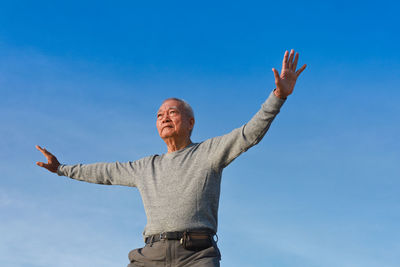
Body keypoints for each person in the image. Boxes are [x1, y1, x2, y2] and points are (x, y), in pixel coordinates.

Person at [36, 49, 306, 267]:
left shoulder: (209, 152)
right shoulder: (145, 167)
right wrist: (61, 168)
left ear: (190, 122)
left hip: (196, 255)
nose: (164, 116)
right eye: (159, 115)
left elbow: (249, 134)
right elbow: (105, 172)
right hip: (150, 256)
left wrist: (278, 96)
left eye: (172, 112)